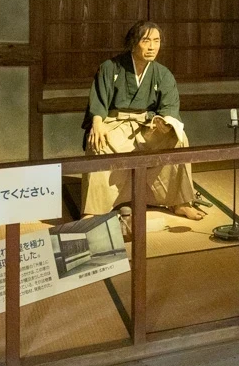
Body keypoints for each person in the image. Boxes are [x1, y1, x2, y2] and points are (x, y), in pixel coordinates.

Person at [81, 21, 204, 221]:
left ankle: (179, 202)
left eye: (156, 41)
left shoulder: (162, 73)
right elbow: (99, 101)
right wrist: (97, 122)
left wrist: (165, 123)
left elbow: (169, 107)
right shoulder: (110, 67)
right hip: (115, 124)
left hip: (148, 125)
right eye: (146, 41)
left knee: (179, 140)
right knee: (98, 143)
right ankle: (93, 210)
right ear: (133, 43)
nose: (152, 47)